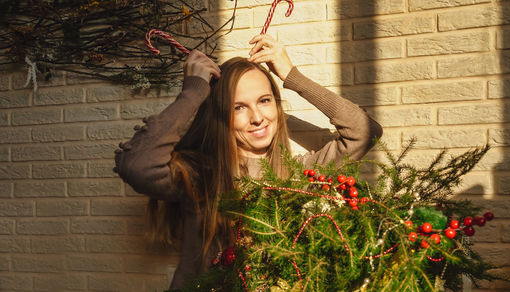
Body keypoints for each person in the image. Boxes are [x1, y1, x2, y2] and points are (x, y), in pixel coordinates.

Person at [113, 34, 383, 289]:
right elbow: (138, 165)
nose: (257, 117)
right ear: (220, 115)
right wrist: (194, 91)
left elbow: (364, 132)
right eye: (238, 107)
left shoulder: (299, 174)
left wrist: (292, 76)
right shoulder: (199, 174)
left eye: (264, 101)